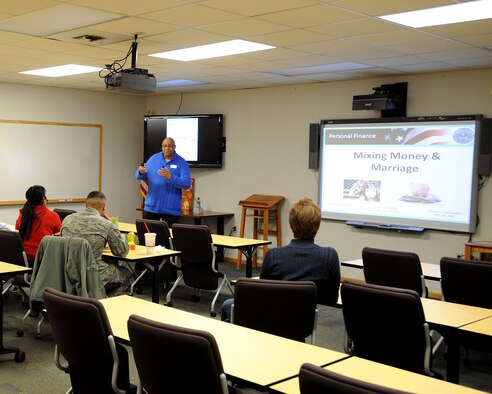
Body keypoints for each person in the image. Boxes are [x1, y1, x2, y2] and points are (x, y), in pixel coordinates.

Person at [221, 197, 341, 322]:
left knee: (227, 305)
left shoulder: (273, 255)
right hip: (304, 322)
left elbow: (261, 293)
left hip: (270, 318)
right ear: (318, 226)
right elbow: (331, 299)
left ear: (291, 225)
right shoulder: (329, 256)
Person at [61, 191, 132, 296]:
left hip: (69, 271)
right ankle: (104, 302)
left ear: (86, 205)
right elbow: (121, 251)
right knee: (127, 273)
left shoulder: (67, 220)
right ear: (104, 207)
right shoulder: (106, 224)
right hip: (94, 273)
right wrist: (114, 226)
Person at [135, 137, 191, 226]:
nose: (167, 148)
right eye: (164, 146)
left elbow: (187, 183)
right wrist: (140, 172)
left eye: (169, 146)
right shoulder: (153, 159)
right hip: (151, 208)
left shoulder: (181, 162)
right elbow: (139, 176)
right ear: (162, 147)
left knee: (167, 238)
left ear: (174, 147)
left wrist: (171, 177)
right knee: (147, 237)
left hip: (171, 210)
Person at [15, 185, 62, 263]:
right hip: (43, 258)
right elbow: (59, 240)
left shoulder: (23, 213)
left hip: (24, 258)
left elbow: (18, 234)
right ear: (43, 199)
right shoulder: (53, 215)